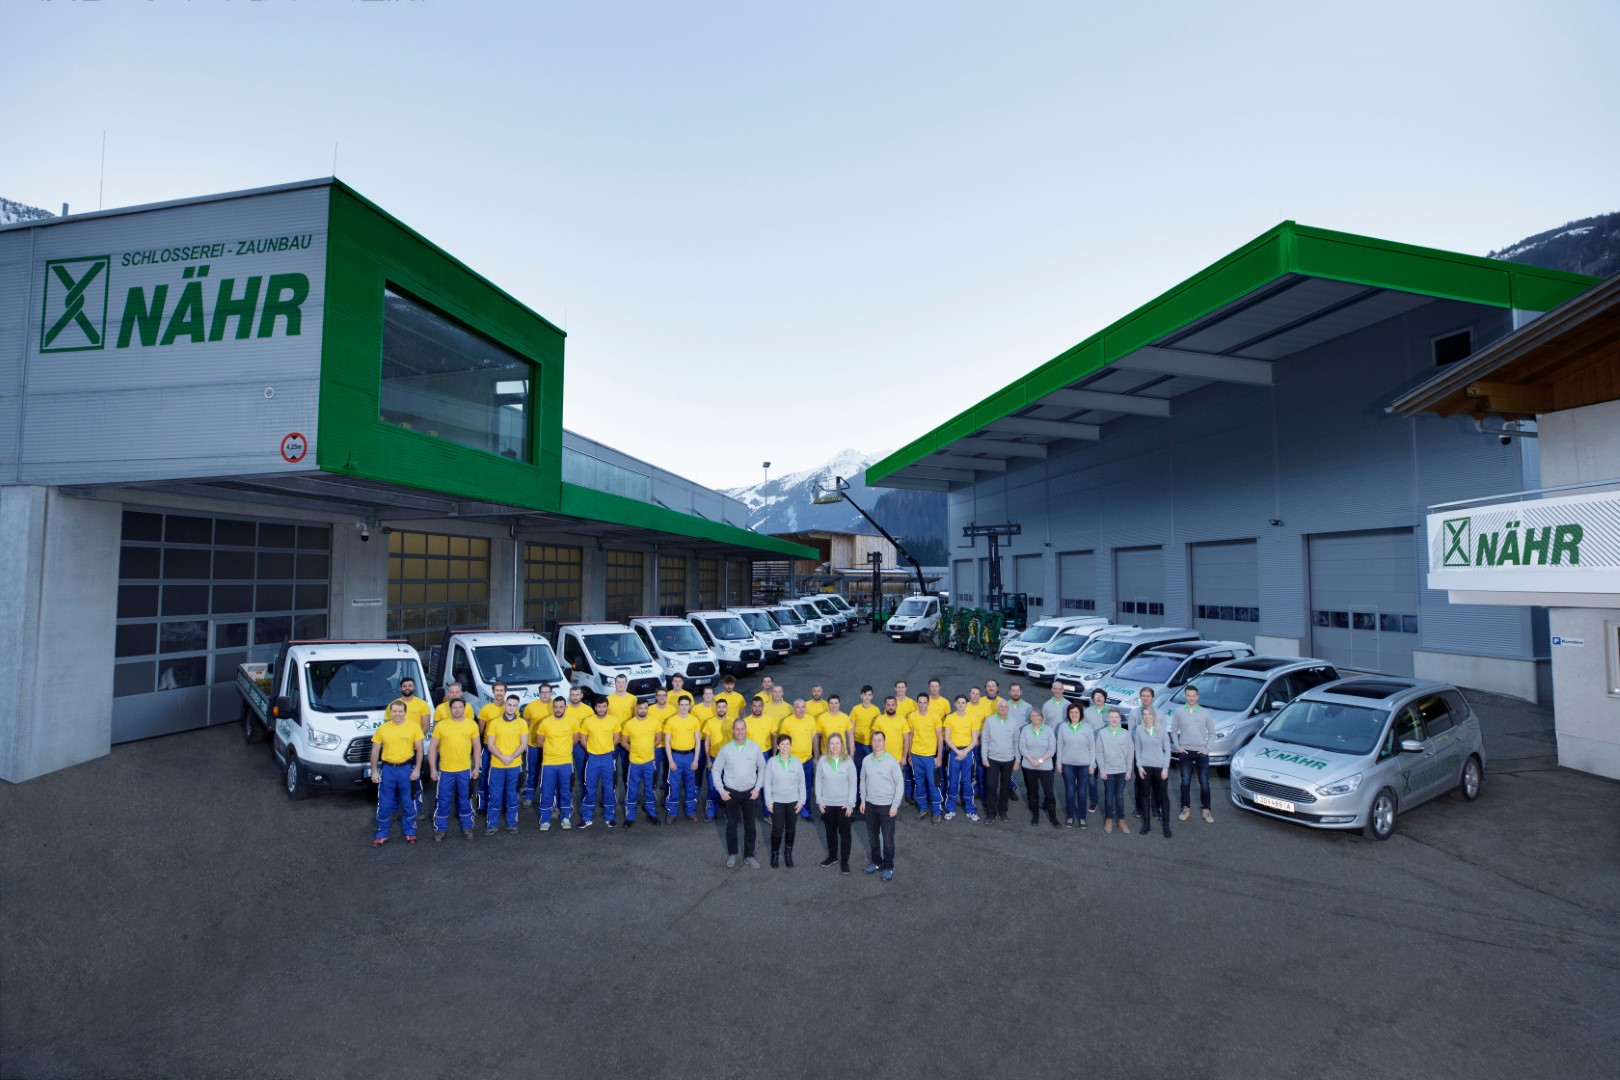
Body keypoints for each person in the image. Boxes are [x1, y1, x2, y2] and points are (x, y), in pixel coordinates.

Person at [712, 717, 766, 869]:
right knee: (731, 826)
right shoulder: (726, 749)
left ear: (746, 729)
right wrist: (721, 790)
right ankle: (732, 853)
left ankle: (749, 855)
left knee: (750, 826)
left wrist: (757, 789)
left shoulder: (755, 748)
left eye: (742, 729)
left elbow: (762, 768)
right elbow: (716, 770)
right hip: (731, 793)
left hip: (750, 793)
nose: (740, 732)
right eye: (737, 729)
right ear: (733, 731)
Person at [369, 699, 423, 847]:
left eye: (400, 711)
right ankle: (382, 833)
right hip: (388, 770)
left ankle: (410, 831)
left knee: (408, 802)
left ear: (405, 712)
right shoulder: (383, 729)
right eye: (394, 711)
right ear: (390, 712)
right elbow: (375, 751)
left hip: (406, 769)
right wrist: (374, 771)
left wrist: (417, 769)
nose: (397, 714)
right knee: (385, 803)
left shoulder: (413, 727)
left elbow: (420, 749)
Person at [428, 697, 481, 841]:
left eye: (460, 707)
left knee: (465, 800)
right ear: (450, 709)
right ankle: (440, 829)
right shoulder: (441, 726)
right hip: (445, 771)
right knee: (443, 801)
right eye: (454, 707)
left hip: (464, 770)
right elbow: (432, 748)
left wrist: (476, 767)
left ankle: (467, 827)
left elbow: (477, 747)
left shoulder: (471, 725)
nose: (457, 710)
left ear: (464, 708)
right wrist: (433, 769)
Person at [859, 730, 904, 882]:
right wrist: (863, 801)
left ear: (884, 742)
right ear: (871, 742)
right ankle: (876, 862)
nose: (877, 743)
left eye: (880, 740)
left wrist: (894, 806)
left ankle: (888, 866)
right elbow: (863, 780)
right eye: (875, 740)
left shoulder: (891, 761)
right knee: (872, 836)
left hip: (887, 807)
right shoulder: (866, 760)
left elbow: (900, 784)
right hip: (870, 805)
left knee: (887, 838)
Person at [484, 694, 527, 836]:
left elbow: (524, 744)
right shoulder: (495, 723)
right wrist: (502, 757)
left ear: (517, 707)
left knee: (512, 795)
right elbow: (490, 745)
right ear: (505, 705)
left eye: (515, 705)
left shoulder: (521, 723)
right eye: (509, 704)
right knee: (494, 796)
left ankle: (512, 823)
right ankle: (492, 825)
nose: (511, 707)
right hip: (497, 765)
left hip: (514, 766)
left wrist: (511, 757)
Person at [1172, 685, 1215, 824]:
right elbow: (1173, 730)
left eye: (1193, 695)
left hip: (1201, 752)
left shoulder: (1205, 713)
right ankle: (1185, 808)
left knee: (1204, 782)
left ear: (1198, 696)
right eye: (1188, 695)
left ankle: (1206, 809)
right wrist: (1177, 746)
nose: (1191, 698)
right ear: (1185, 696)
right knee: (1185, 781)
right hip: (1185, 752)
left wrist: (1207, 749)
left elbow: (1212, 733)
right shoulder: (1179, 712)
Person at [533, 696, 578, 831]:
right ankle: (545, 820)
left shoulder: (572, 722)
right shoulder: (545, 723)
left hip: (566, 763)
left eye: (561, 707)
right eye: (556, 707)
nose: (558, 709)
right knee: (546, 792)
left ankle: (565, 817)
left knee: (566, 791)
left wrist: (563, 750)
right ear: (553, 707)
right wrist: (550, 750)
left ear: (565, 707)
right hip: (548, 764)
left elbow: (575, 739)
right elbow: (540, 740)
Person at [578, 697, 622, 829]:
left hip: (608, 758)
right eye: (599, 706)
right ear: (595, 707)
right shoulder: (588, 721)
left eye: (604, 706)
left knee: (609, 788)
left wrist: (607, 749)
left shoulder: (613, 720)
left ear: (607, 707)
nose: (601, 709)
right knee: (590, 788)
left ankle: (610, 816)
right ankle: (586, 817)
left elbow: (617, 738)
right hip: (592, 759)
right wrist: (592, 751)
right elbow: (583, 740)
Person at [764, 734, 806, 868]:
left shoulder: (797, 762)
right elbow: (767, 783)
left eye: (787, 744)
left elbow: (801, 783)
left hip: (793, 802)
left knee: (790, 829)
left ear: (791, 746)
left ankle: (788, 854)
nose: (785, 747)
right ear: (777, 746)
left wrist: (801, 801)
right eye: (782, 744)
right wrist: (769, 802)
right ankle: (775, 854)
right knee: (777, 830)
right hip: (777, 802)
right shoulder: (772, 762)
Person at [815, 732, 856, 872]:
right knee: (830, 832)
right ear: (828, 745)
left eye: (837, 743)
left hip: (844, 804)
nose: (835, 746)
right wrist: (819, 800)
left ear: (842, 745)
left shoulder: (848, 761)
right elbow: (818, 781)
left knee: (845, 834)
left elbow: (853, 783)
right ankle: (833, 857)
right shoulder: (822, 761)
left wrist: (851, 803)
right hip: (827, 804)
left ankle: (845, 861)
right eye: (832, 743)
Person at [619, 700, 663, 829]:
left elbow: (658, 739)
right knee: (632, 790)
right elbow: (624, 742)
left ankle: (651, 813)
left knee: (650, 789)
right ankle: (630, 816)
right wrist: (633, 750)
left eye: (645, 708)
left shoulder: (654, 722)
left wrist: (649, 748)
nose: (643, 710)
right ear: (636, 709)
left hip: (650, 762)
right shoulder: (629, 724)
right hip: (635, 763)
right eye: (640, 708)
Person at [977, 698, 1022, 825]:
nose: (1003, 708)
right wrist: (984, 757)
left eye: (1005, 707)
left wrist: (1017, 760)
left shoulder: (1013, 722)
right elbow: (985, 740)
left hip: (1008, 759)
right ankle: (991, 813)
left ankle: (1003, 811)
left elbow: (1016, 742)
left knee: (1004, 787)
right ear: (998, 708)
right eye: (1001, 706)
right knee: (991, 786)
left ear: (1008, 709)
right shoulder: (990, 721)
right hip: (992, 759)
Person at [1134, 706, 1173, 839]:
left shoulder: (1161, 730)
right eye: (1144, 714)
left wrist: (1165, 768)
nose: (1147, 717)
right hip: (1145, 767)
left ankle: (1166, 825)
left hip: (1160, 767)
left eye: (1149, 714)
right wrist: (1139, 766)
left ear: (1154, 716)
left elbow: (1168, 750)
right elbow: (1137, 749)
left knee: (1164, 797)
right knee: (1144, 796)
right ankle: (1146, 824)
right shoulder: (1139, 729)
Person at [1018, 702, 1059, 827]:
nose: (1035, 718)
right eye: (1033, 716)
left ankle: (1053, 818)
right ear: (1030, 718)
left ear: (1041, 717)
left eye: (1037, 715)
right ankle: (1035, 816)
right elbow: (1022, 747)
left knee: (1049, 793)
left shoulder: (1048, 730)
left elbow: (1052, 750)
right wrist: (1032, 760)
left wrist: (1040, 761)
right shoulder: (1025, 729)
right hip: (1029, 766)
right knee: (1033, 792)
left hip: (1045, 766)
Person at [1055, 702, 1096, 829]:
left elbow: (1092, 747)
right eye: (1071, 712)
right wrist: (1059, 762)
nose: (1074, 715)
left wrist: (1092, 764)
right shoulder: (1062, 727)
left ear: (1081, 714)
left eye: (1076, 712)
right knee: (1070, 791)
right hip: (1067, 764)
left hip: (1084, 764)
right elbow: (1060, 746)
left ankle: (1082, 816)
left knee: (1082, 792)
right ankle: (1070, 815)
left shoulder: (1087, 728)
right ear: (1068, 714)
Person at [663, 695, 703, 823]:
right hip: (675, 756)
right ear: (678, 706)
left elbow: (697, 741)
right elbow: (667, 742)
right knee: (674, 786)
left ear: (690, 706)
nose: (684, 707)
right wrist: (670, 760)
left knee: (690, 785)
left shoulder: (694, 720)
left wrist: (696, 759)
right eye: (682, 704)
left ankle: (690, 811)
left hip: (690, 756)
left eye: (687, 704)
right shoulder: (671, 721)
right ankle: (672, 812)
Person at [396, 676, 433, 815]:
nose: (407, 688)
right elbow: (390, 726)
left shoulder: (422, 704)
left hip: (416, 749)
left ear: (414, 687)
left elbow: (425, 726)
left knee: (415, 781)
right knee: (396, 782)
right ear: (400, 688)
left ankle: (417, 809)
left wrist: (412, 741)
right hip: (398, 750)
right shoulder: (393, 705)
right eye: (404, 685)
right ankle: (397, 810)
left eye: (410, 685)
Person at [1095, 708, 1135, 834]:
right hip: (1108, 770)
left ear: (1120, 718)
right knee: (1109, 796)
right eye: (1111, 717)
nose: (1114, 719)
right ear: (1108, 718)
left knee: (1119, 795)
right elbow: (1099, 752)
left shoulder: (1126, 734)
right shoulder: (1102, 733)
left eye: (1116, 717)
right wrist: (1102, 769)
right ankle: (1109, 819)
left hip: (1122, 770)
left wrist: (1129, 770)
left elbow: (1130, 753)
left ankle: (1121, 819)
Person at [778, 700, 819, 820]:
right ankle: (790, 810)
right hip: (791, 761)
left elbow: (814, 739)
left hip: (807, 760)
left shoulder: (811, 720)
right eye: (798, 707)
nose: (801, 710)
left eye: (803, 707)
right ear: (793, 708)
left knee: (805, 786)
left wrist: (816, 756)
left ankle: (805, 811)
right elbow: (782, 741)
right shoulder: (787, 721)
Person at [908, 691, 944, 824]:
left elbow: (940, 737)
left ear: (928, 703)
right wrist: (909, 755)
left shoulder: (935, 717)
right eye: (920, 702)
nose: (922, 705)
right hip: (916, 756)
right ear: (917, 703)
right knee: (919, 784)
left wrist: (939, 756)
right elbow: (911, 736)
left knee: (934, 784)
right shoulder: (912, 717)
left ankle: (936, 812)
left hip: (930, 757)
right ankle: (923, 808)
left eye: (925, 702)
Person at [942, 694, 979, 822]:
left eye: (963, 702)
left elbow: (974, 739)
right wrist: (958, 751)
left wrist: (964, 752)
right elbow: (947, 738)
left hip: (968, 752)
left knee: (967, 781)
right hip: (954, 752)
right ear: (955, 704)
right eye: (958, 702)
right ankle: (950, 809)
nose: (961, 705)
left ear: (966, 704)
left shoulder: (972, 718)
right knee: (952, 781)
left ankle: (970, 809)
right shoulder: (950, 718)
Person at [520, 682, 555, 807]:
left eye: (547, 692)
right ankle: (529, 796)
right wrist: (523, 743)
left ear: (551, 693)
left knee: (547, 773)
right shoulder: (531, 706)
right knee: (532, 771)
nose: (545, 694)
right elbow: (525, 724)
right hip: (533, 744)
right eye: (543, 692)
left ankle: (546, 799)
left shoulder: (555, 706)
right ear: (539, 693)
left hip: (550, 746)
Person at [475, 682, 509, 814]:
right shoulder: (486, 709)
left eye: (502, 690)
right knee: (484, 776)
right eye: (497, 690)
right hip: (489, 749)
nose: (499, 693)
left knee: (505, 778)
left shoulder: (510, 707)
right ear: (493, 692)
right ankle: (482, 805)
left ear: (505, 692)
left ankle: (504, 804)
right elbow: (481, 728)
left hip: (506, 748)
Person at [701, 698, 732, 821]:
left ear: (727, 708)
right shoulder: (709, 723)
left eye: (723, 707)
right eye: (719, 707)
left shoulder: (732, 722)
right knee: (712, 787)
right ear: (715, 708)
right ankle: (710, 813)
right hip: (714, 759)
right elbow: (707, 742)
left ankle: (729, 813)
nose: (721, 709)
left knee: (730, 787)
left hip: (730, 761)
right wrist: (708, 760)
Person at [871, 696, 911, 789]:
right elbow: (874, 739)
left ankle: (897, 804)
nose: (890, 707)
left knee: (897, 785)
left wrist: (904, 757)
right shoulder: (879, 720)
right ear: (884, 706)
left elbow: (906, 740)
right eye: (888, 705)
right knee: (882, 784)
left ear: (896, 706)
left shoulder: (902, 720)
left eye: (893, 704)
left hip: (898, 760)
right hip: (882, 759)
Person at [1085, 687, 1111, 812]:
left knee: (1108, 779)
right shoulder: (1087, 712)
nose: (1099, 698)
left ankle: (1109, 802)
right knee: (1091, 778)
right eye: (1096, 696)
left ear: (1105, 698)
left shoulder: (1111, 712)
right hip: (1092, 750)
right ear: (1093, 698)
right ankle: (1094, 801)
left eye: (1101, 696)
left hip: (1107, 751)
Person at [815, 694, 853, 772]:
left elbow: (850, 736)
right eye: (831, 703)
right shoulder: (821, 718)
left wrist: (852, 754)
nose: (834, 705)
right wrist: (817, 754)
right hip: (826, 755)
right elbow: (816, 738)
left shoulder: (845, 717)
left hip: (842, 755)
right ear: (828, 704)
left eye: (836, 703)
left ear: (839, 704)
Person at [849, 686, 880, 772]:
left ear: (872, 696)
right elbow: (851, 730)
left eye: (869, 695)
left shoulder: (876, 710)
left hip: (871, 744)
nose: (867, 697)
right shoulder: (855, 709)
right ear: (861, 696)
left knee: (871, 769)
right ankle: (859, 786)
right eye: (865, 694)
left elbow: (878, 730)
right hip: (858, 744)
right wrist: (852, 747)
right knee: (858, 768)